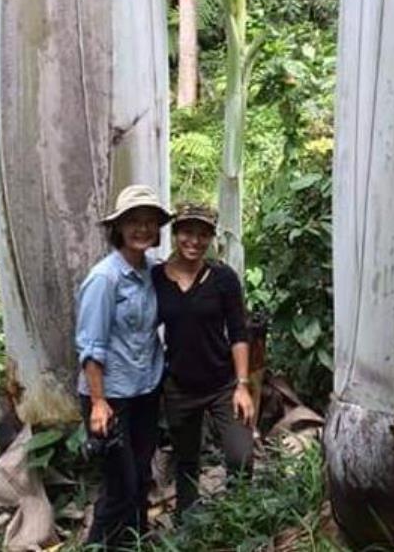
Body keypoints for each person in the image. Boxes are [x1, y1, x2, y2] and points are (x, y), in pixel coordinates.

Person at [75, 184, 172, 549]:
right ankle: (98, 545)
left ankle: (134, 541)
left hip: (145, 391)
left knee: (141, 477)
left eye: (149, 222)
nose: (142, 229)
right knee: (120, 485)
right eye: (134, 221)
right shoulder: (105, 278)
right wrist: (99, 403)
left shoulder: (153, 271)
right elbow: (90, 345)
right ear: (118, 228)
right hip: (110, 397)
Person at [153, 202, 254, 515]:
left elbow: (238, 331)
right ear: (175, 234)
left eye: (202, 234)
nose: (193, 241)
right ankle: (188, 526)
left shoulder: (223, 278)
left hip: (223, 383)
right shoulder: (156, 278)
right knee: (186, 461)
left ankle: (239, 516)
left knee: (241, 456)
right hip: (179, 386)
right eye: (187, 232)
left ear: (211, 238)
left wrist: (242, 385)